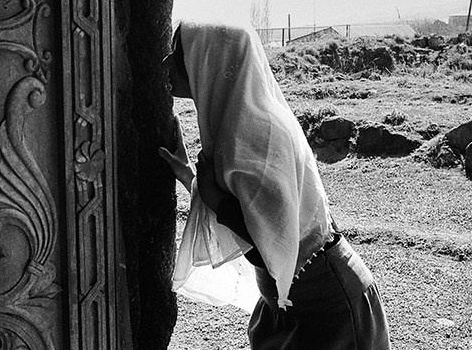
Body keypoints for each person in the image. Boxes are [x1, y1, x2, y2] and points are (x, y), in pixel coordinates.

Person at [158, 21, 391, 349]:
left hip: (328, 306)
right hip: (289, 302)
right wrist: (190, 178)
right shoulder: (237, 123)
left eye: (179, 57)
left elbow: (275, 237)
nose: (166, 65)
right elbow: (254, 209)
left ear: (209, 63)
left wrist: (213, 198)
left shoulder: (260, 134)